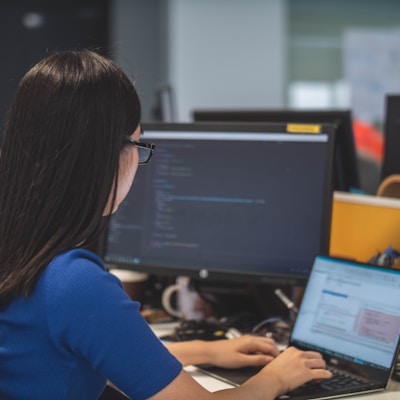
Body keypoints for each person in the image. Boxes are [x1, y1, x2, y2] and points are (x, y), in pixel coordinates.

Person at [0, 50, 332, 400]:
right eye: (137, 144)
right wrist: (275, 379)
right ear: (105, 154)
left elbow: (109, 350)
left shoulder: (21, 255)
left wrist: (206, 351)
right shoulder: (75, 284)